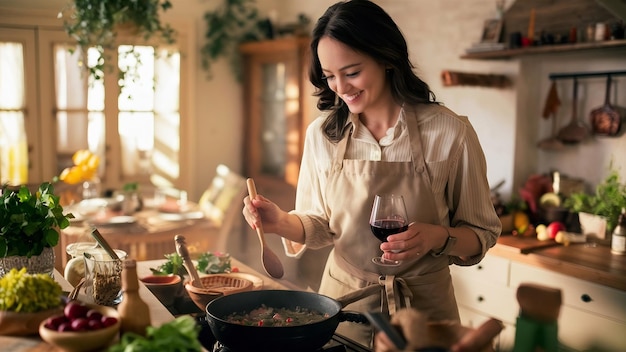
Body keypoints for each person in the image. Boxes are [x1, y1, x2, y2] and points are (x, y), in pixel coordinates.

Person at [242, 0, 501, 347]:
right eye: (330, 76)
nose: (341, 87)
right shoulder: (322, 136)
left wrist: (438, 237)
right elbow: (322, 227)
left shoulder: (451, 132)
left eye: (351, 72)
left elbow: (481, 233)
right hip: (344, 306)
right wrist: (280, 223)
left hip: (426, 318)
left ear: (387, 58)